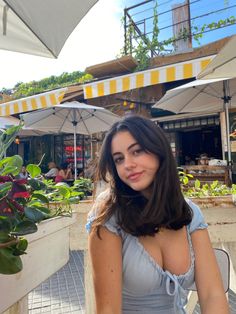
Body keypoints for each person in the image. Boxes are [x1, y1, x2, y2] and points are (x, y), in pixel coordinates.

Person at [86, 115, 229, 314]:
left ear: (159, 150)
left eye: (136, 151)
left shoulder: (189, 214)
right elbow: (108, 309)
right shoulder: (109, 216)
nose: (127, 164)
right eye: (119, 159)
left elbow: (212, 294)